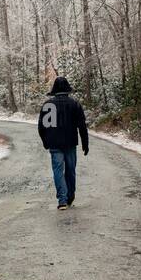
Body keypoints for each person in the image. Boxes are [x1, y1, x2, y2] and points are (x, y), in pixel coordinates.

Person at [37, 76, 89, 210]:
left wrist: (46, 142)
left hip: (54, 144)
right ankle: (70, 196)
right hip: (70, 143)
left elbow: (42, 127)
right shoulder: (74, 104)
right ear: (67, 89)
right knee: (71, 170)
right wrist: (85, 143)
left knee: (58, 171)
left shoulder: (48, 105)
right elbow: (82, 126)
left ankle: (62, 200)